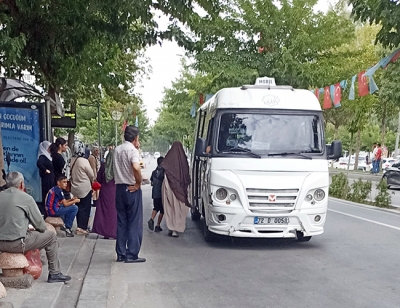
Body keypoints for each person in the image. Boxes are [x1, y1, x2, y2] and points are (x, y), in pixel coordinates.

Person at [0, 172, 71, 283]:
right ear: (22, 184)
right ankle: (55, 272)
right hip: (17, 243)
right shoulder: (26, 198)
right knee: (51, 236)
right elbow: (41, 226)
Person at [113, 125, 145, 263]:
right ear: (136, 138)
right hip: (131, 188)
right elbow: (136, 167)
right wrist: (138, 183)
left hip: (119, 188)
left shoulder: (117, 149)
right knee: (134, 221)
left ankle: (121, 253)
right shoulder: (132, 151)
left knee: (121, 222)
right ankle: (132, 253)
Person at [161, 141, 191, 238]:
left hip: (169, 187)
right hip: (180, 189)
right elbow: (186, 175)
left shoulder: (168, 159)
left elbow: (165, 172)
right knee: (179, 208)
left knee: (170, 207)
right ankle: (176, 229)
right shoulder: (183, 160)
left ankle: (171, 228)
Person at [70, 141, 95, 235]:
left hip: (74, 188)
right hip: (84, 188)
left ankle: (78, 226)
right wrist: (93, 181)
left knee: (78, 207)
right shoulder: (83, 160)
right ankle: (82, 228)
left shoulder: (71, 159)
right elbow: (91, 174)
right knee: (85, 207)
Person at [92, 149, 117, 239]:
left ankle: (105, 232)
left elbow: (98, 179)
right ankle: (114, 232)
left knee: (104, 212)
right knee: (114, 212)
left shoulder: (103, 166)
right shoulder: (118, 167)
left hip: (105, 192)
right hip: (116, 192)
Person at [37, 140, 55, 217]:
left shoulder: (48, 156)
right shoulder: (42, 156)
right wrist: (45, 170)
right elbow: (39, 163)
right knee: (47, 194)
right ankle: (46, 211)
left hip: (50, 178)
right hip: (46, 179)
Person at [148, 156, 165, 232]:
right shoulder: (164, 172)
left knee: (156, 207)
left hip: (154, 193)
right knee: (162, 210)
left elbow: (152, 183)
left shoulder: (154, 172)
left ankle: (152, 219)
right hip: (161, 194)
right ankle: (158, 225)